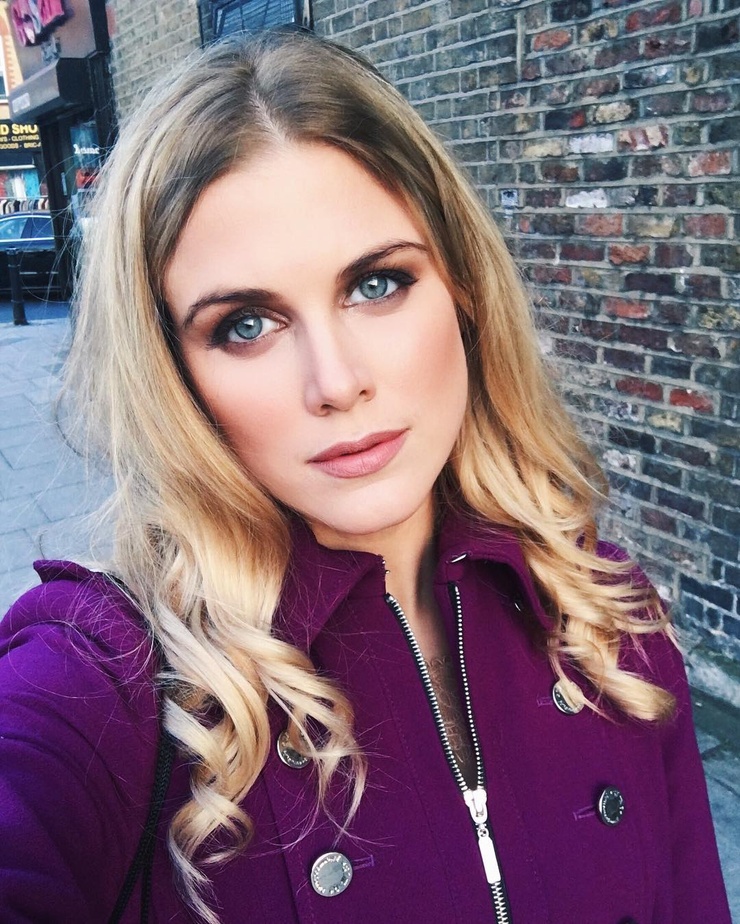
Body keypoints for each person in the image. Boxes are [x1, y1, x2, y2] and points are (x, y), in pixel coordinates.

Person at [0, 31, 730, 924]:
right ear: (174, 374)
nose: (337, 382)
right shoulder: (106, 679)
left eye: (377, 284)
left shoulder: (609, 614)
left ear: (462, 290)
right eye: (245, 325)